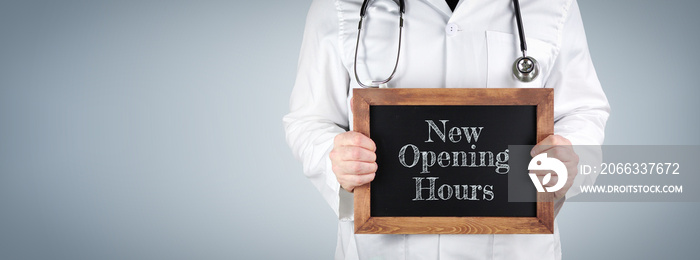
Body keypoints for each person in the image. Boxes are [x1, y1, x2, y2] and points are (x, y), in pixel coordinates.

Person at [283, 0, 609, 259]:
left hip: (515, 249)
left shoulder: (554, 5)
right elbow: (310, 119)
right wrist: (334, 161)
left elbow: (583, 111)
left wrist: (569, 155)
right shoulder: (339, 5)